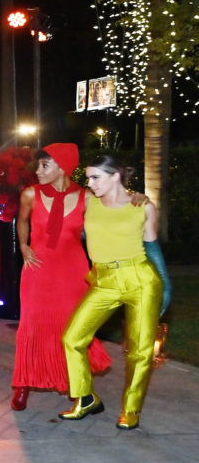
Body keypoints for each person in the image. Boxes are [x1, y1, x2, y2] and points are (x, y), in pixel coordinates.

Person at [60, 155, 171, 430]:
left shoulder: (142, 206)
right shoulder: (88, 201)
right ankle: (86, 398)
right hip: (103, 280)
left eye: (96, 177)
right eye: (88, 177)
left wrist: (166, 287)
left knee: (140, 351)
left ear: (115, 176)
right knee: (72, 338)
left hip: (140, 279)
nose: (90, 183)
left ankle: (131, 410)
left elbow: (153, 249)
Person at [10, 143, 111, 410]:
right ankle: (22, 384)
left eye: (45, 165)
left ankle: (76, 386)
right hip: (38, 270)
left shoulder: (87, 198)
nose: (38, 170)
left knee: (71, 328)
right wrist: (23, 245)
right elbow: (22, 220)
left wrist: (138, 200)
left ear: (63, 167)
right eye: (38, 165)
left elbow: (113, 217)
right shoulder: (30, 194)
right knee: (31, 326)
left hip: (73, 272)